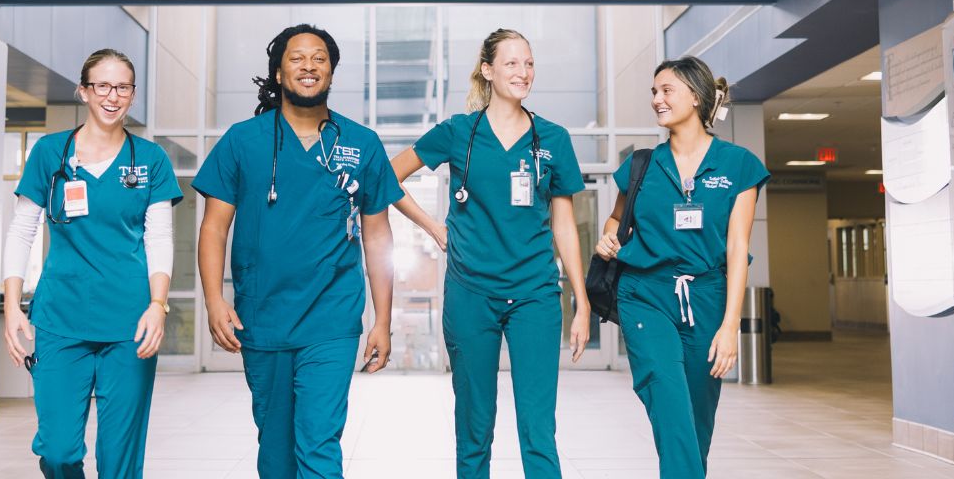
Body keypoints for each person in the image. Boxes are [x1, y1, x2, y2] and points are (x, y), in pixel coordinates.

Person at [194, 24, 404, 479]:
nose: (309, 66)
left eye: (320, 58)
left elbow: (378, 236)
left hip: (332, 320)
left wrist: (383, 321)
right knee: (275, 453)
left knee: (319, 446)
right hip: (262, 318)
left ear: (331, 71)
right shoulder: (242, 140)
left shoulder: (360, 143)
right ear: (277, 70)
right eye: (297, 57)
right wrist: (214, 300)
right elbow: (213, 228)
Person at [387, 29, 587, 479]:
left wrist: (581, 299)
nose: (524, 72)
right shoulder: (460, 132)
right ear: (488, 70)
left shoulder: (552, 137)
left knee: (539, 429)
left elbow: (563, 224)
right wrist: (433, 226)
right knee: (474, 427)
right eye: (513, 63)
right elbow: (387, 176)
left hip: (535, 295)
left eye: (530, 63)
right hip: (470, 294)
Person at [0, 49, 181, 479]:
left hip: (130, 323)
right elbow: (22, 231)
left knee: (120, 458)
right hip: (61, 319)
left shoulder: (150, 159)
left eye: (122, 87)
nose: (112, 96)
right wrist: (12, 308)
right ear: (83, 91)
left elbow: (159, 237)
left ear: (133, 95)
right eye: (102, 85)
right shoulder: (49, 153)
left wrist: (158, 304)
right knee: (59, 450)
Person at [592, 56, 768, 479]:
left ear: (696, 95)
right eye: (654, 92)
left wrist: (730, 328)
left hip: (706, 297)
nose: (657, 99)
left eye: (666, 90)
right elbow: (616, 219)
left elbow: (738, 248)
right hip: (644, 294)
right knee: (669, 403)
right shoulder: (642, 164)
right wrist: (608, 235)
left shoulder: (737, 165)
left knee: (696, 419)